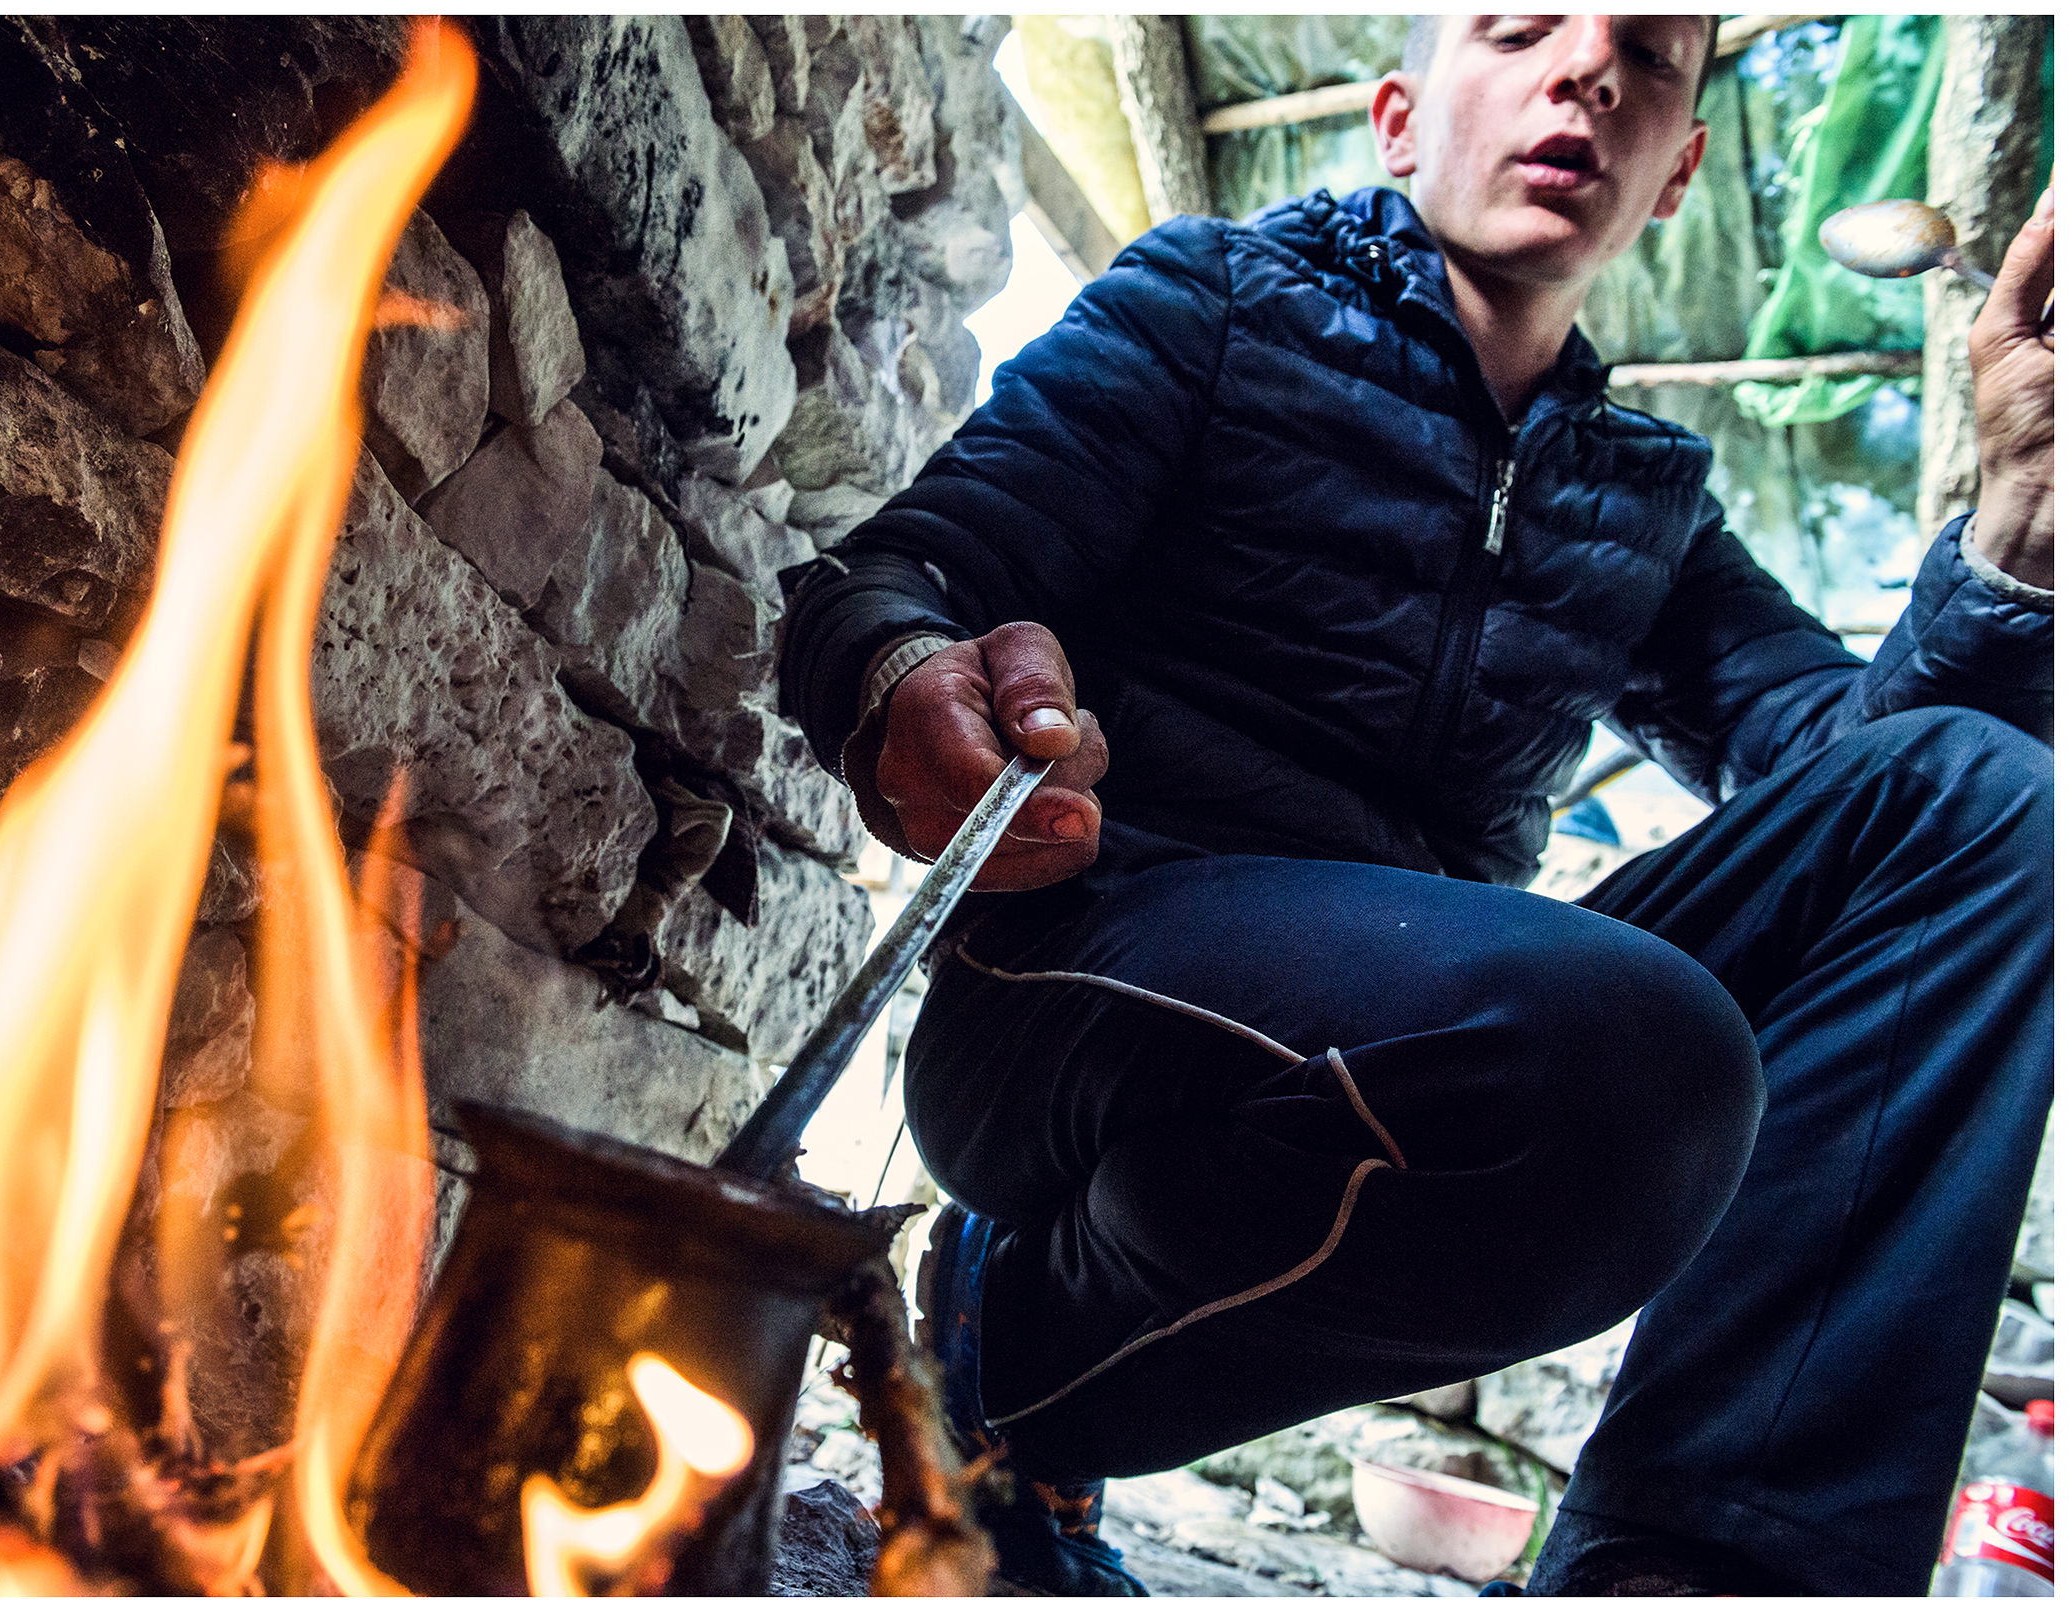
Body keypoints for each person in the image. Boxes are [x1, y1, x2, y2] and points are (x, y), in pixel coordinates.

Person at [776, 14, 2054, 1598]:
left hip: (1438, 1021)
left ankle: (1708, 1575)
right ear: (1397, 117)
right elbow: (902, 573)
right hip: (1081, 994)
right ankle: (1017, 1327)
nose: (1586, 71)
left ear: (1677, 175)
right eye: (1522, 27)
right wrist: (906, 671)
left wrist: (2013, 536)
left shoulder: (1644, 496)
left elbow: (1871, 802)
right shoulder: (1215, 303)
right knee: (1615, 1040)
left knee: (1988, 794)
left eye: (1651, 58)